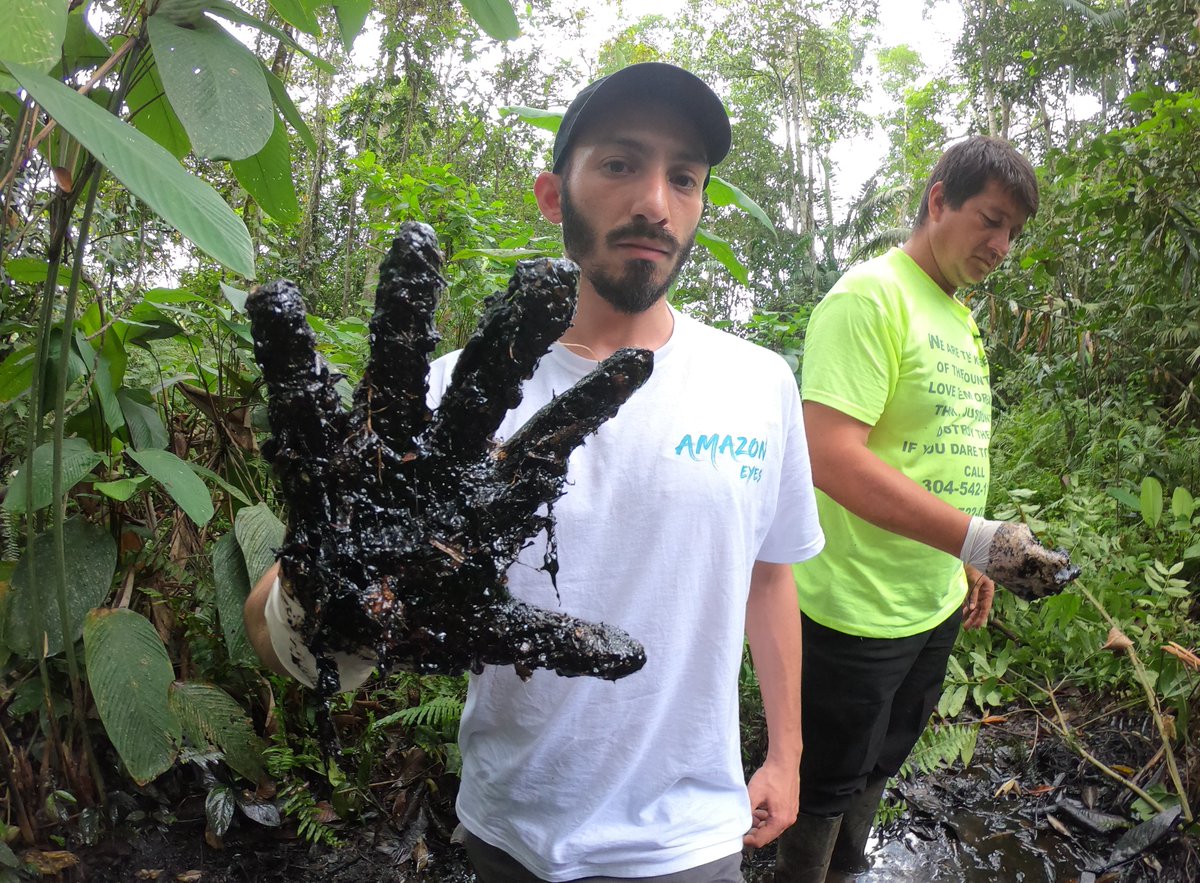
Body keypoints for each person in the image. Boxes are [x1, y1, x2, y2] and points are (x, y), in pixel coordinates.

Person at [245, 62, 826, 882]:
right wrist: (329, 595)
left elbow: (771, 577)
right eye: (620, 164)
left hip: (687, 838)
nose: (655, 202)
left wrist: (789, 751)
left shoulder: (759, 383)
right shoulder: (444, 401)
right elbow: (270, 628)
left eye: (684, 177)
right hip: (511, 832)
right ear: (555, 195)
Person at [774, 137, 1078, 882]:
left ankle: (847, 869)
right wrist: (978, 541)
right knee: (824, 779)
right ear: (938, 200)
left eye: (1013, 232)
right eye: (990, 220)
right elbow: (831, 454)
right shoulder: (868, 296)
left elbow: (938, 452)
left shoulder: (956, 315)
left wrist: (963, 557)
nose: (1002, 245)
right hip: (854, 609)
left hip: (930, 600)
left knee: (884, 754)